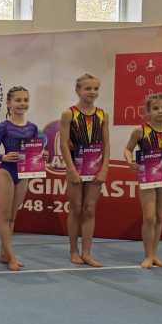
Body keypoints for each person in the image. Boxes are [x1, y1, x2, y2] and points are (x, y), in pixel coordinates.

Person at [123, 92, 162, 269]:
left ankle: (154, 255)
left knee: (159, 216)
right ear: (148, 111)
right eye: (155, 108)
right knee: (149, 217)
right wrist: (130, 161)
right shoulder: (140, 131)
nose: (160, 111)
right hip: (148, 176)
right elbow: (127, 149)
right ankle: (148, 255)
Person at [0, 86, 46, 271]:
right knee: (5, 216)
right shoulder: (3, 127)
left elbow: (35, 151)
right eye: (18, 100)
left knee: (13, 217)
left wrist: (42, 155)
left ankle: (3, 254)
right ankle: (11, 257)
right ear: (9, 103)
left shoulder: (32, 128)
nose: (22, 103)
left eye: (25, 100)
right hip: (7, 172)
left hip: (23, 174)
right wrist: (3, 157)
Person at [59, 73, 111, 267]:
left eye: (95, 89)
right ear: (78, 90)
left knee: (89, 209)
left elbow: (106, 144)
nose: (92, 92)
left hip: (95, 168)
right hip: (76, 167)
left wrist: (104, 168)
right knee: (76, 208)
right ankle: (73, 251)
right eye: (88, 88)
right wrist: (71, 169)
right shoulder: (69, 114)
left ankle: (87, 253)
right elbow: (63, 144)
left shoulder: (102, 115)